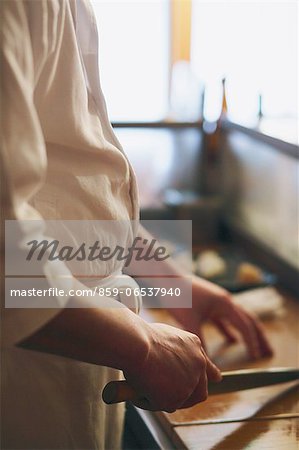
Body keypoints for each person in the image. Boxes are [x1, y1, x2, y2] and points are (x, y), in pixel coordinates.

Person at [0, 1, 272, 448]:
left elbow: (74, 201)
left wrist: (171, 281)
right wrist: (142, 345)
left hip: (73, 362)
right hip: (23, 383)